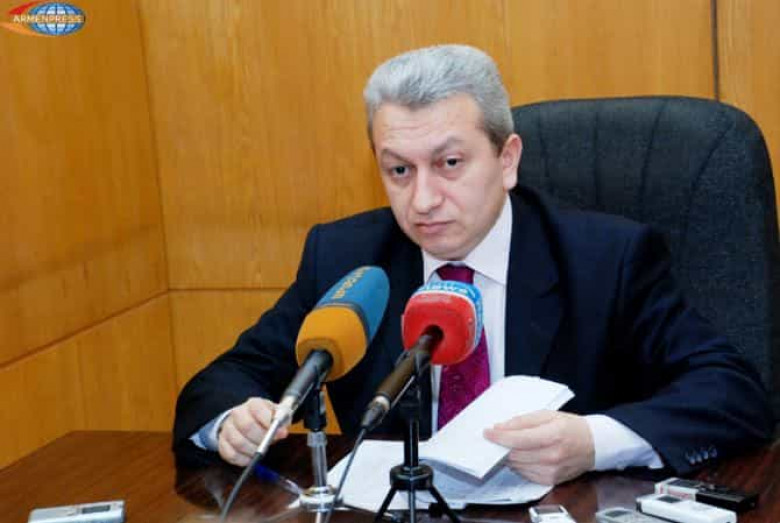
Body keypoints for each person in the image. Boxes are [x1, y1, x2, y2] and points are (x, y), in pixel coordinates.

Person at [173, 44, 773, 485]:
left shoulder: (606, 259)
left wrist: (593, 442)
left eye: (450, 164)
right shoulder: (347, 259)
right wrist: (233, 421)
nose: (423, 200)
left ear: (507, 160)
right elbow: (223, 382)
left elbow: (734, 393)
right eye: (398, 170)